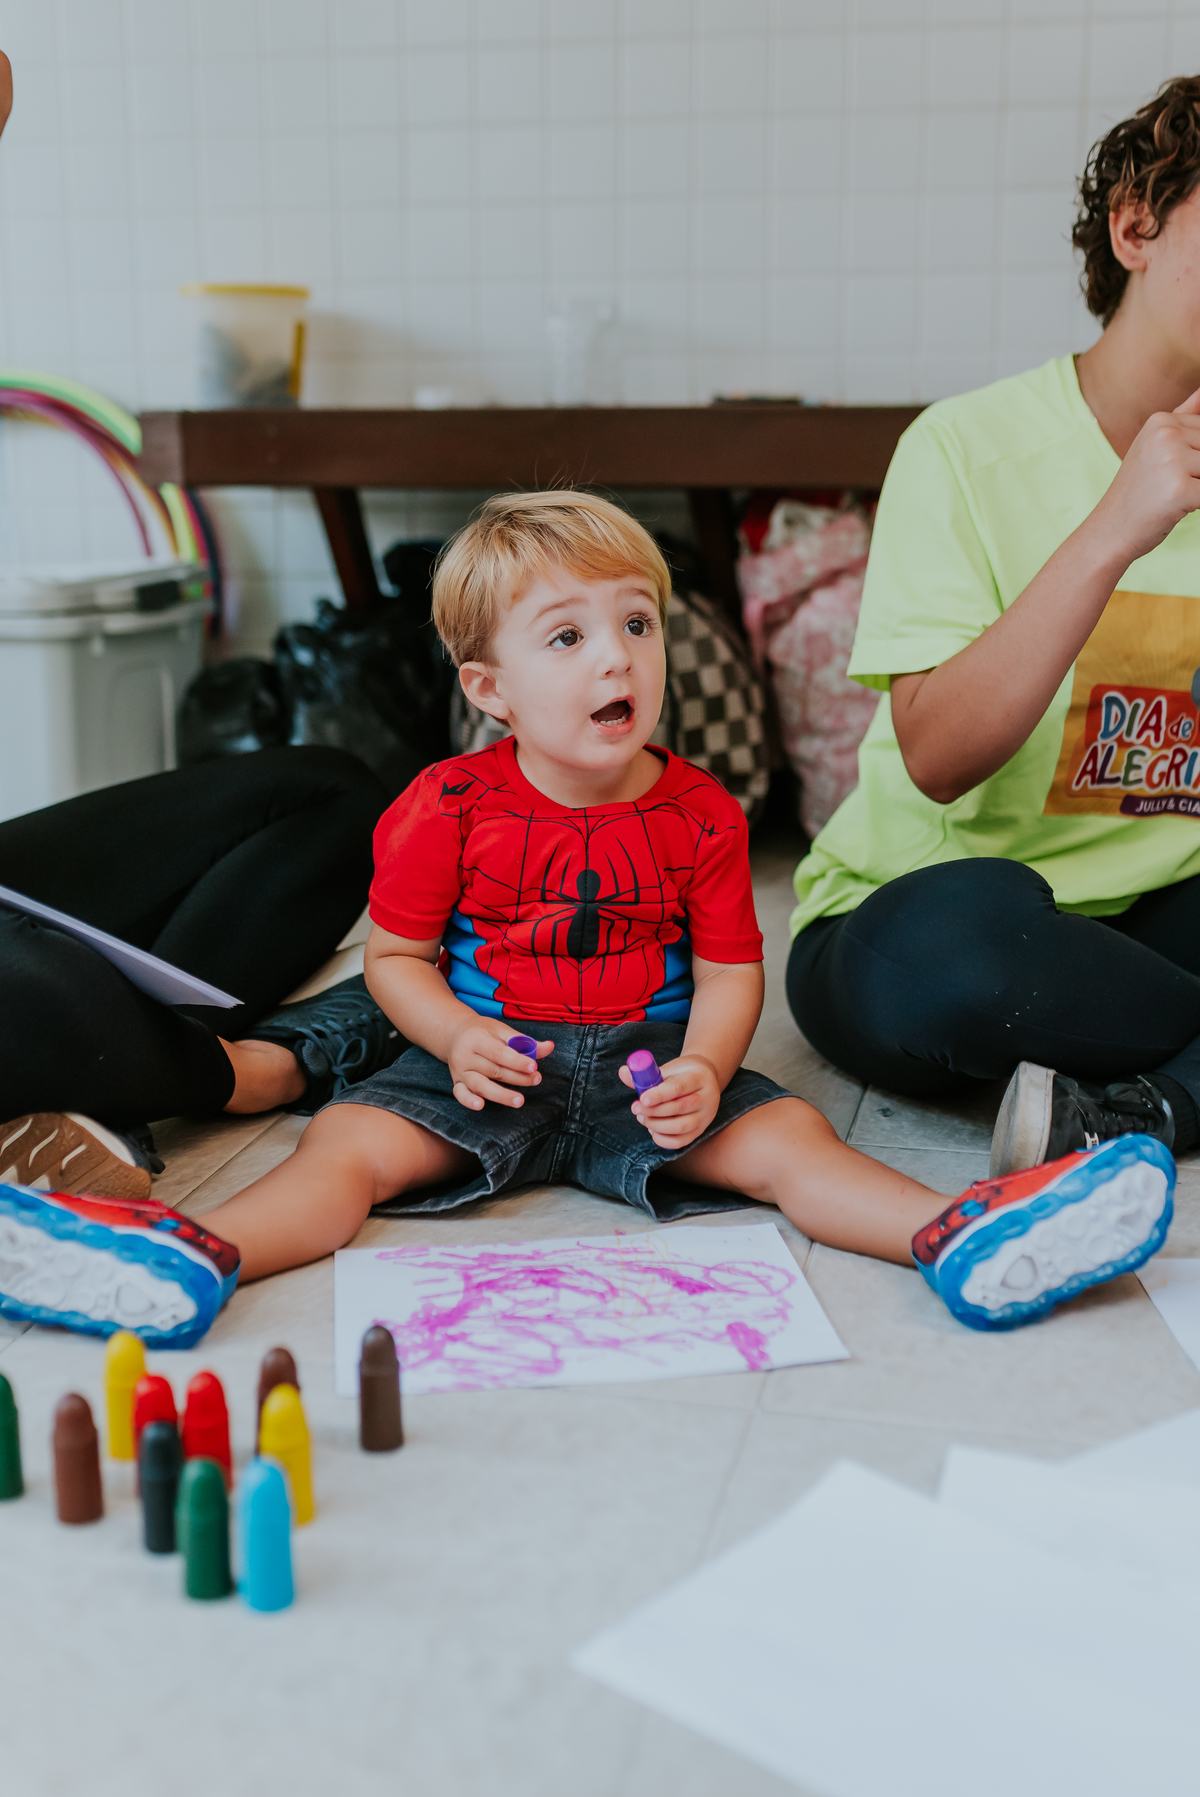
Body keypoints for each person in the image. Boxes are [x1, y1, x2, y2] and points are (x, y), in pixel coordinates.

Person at [0, 493, 1173, 1348]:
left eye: (637, 625)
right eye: (567, 636)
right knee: (344, 1151)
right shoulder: (440, 807)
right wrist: (452, 1036)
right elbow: (398, 960)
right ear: (490, 690)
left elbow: (725, 972)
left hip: (649, 1072)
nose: (617, 656)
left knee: (791, 1149)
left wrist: (710, 1070)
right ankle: (199, 1257)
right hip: (480, 1067)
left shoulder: (703, 813)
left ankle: (960, 1234)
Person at [787, 75, 1200, 1179]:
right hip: (935, 914)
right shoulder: (964, 447)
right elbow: (938, 759)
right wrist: (1119, 524)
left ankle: (1155, 1103)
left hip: (1151, 923)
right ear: (1136, 226)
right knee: (954, 955)